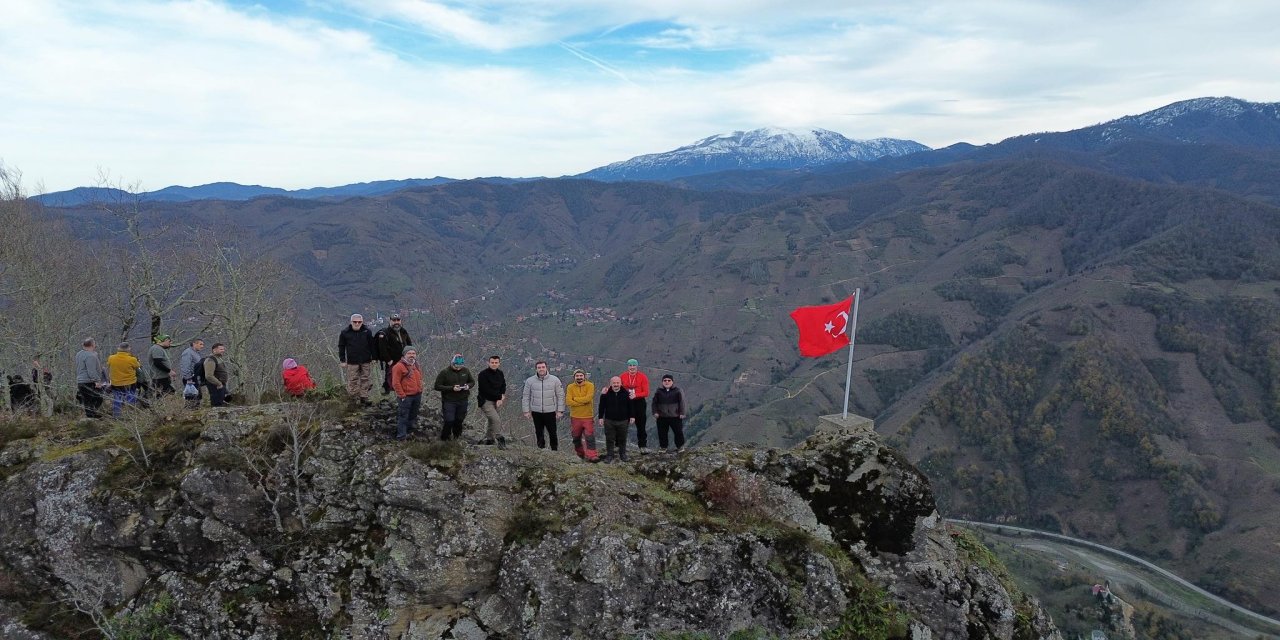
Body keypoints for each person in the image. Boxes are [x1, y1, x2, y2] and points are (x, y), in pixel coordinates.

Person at [521, 361, 564, 450]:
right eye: (539, 367)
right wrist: (526, 410)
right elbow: (525, 396)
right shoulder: (530, 381)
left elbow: (560, 395)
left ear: (546, 368)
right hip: (536, 412)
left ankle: (555, 451)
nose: (541, 369)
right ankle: (541, 450)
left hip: (550, 411)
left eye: (543, 367)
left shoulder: (555, 380)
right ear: (536, 369)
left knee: (552, 432)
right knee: (539, 432)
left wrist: (560, 410)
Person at [338, 313, 376, 405]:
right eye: (355, 322)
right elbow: (341, 346)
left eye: (359, 322)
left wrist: (374, 357)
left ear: (362, 322)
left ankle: (364, 397)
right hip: (352, 361)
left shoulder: (367, 331)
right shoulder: (345, 332)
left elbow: (372, 345)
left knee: (365, 378)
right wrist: (342, 360)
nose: (357, 323)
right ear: (351, 322)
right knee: (352, 379)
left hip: (366, 360)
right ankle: (353, 398)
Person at [434, 353, 474, 441]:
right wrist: (452, 388)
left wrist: (468, 386)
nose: (458, 368)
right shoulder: (444, 372)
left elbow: (472, 382)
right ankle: (444, 438)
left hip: (463, 400)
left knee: (459, 420)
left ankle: (457, 438)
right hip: (449, 400)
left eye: (460, 366)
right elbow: (437, 386)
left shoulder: (466, 371)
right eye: (456, 366)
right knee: (449, 420)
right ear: (452, 363)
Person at [597, 376, 634, 463]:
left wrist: (632, 416)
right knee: (609, 438)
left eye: (618, 383)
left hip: (623, 420)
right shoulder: (605, 394)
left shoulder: (626, 393)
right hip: (609, 420)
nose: (616, 385)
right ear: (611, 384)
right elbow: (601, 406)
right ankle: (609, 455)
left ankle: (623, 455)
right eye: (614, 383)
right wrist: (600, 417)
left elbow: (631, 406)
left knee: (622, 438)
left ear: (621, 383)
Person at [618, 358, 652, 454]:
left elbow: (646, 392)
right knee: (622, 424)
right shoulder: (623, 376)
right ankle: (619, 446)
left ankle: (642, 446)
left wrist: (636, 395)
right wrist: (607, 390)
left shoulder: (643, 377)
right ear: (627, 366)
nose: (632, 367)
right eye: (630, 365)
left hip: (639, 403)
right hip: (626, 403)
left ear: (637, 366)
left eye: (634, 365)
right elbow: (616, 387)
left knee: (641, 425)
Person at [375, 313, 413, 394]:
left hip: (404, 361)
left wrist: (411, 356)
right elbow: (382, 349)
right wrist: (388, 360)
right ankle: (389, 398)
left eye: (398, 320)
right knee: (391, 380)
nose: (396, 322)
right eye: (394, 320)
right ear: (390, 321)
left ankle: (403, 395)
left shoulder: (403, 331)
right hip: (392, 362)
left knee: (405, 379)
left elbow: (409, 345)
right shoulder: (385, 333)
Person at [390, 346, 423, 441]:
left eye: (413, 353)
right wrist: (402, 395)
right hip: (406, 397)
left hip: (417, 395)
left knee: (413, 415)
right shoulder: (398, 366)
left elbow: (420, 378)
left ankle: (409, 433)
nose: (412, 355)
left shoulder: (416, 365)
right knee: (403, 417)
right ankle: (401, 437)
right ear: (404, 354)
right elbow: (395, 383)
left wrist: (421, 388)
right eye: (409, 353)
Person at [565, 369, 598, 461]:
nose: (579, 377)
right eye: (577, 376)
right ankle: (580, 453)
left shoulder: (590, 385)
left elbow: (588, 398)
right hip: (575, 416)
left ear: (584, 377)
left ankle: (592, 455)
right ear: (574, 377)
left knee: (589, 436)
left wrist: (575, 399)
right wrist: (582, 402)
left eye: (581, 376)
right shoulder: (570, 387)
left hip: (587, 416)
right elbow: (568, 401)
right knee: (576, 437)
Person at [652, 374, 688, 453]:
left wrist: (682, 413)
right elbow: (654, 403)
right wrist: (655, 412)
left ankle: (680, 447)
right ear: (662, 382)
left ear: (672, 382)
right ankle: (663, 447)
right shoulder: (658, 391)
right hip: (662, 416)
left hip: (675, 416)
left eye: (669, 380)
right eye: (665, 380)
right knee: (662, 433)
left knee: (678, 432)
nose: (667, 382)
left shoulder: (678, 390)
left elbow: (682, 402)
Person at [476, 355, 507, 445]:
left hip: (497, 401)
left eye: (496, 362)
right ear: (488, 363)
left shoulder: (500, 373)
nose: (494, 364)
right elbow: (486, 390)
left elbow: (503, 385)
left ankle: (489, 439)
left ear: (499, 363)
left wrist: (501, 396)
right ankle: (499, 437)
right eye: (492, 362)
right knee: (495, 419)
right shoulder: (483, 374)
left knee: (491, 421)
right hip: (485, 401)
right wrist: (499, 397)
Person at [106, 342, 142, 417]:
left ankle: (117, 416)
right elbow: (138, 366)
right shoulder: (132, 359)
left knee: (117, 399)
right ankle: (131, 415)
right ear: (128, 349)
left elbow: (108, 365)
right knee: (130, 398)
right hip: (129, 383)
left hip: (116, 383)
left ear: (118, 349)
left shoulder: (111, 358)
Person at [75, 338, 106, 418]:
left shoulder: (79, 354)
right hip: (88, 381)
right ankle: (92, 415)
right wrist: (97, 381)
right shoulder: (90, 356)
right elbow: (91, 371)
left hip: (80, 381)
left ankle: (90, 415)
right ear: (92, 345)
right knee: (98, 398)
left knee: (87, 400)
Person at [178, 338, 205, 408]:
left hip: (196, 378)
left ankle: (195, 414)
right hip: (190, 379)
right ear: (194, 344)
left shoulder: (195, 353)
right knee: (191, 398)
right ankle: (189, 415)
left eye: (203, 344)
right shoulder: (188, 352)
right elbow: (185, 365)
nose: (202, 346)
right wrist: (188, 378)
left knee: (197, 397)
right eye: (200, 344)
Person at [203, 343, 229, 407]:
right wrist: (219, 383)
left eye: (223, 349)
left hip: (220, 385)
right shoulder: (210, 360)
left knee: (222, 403)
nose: (223, 350)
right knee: (217, 404)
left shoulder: (218, 358)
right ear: (214, 350)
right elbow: (209, 375)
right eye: (221, 349)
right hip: (215, 386)